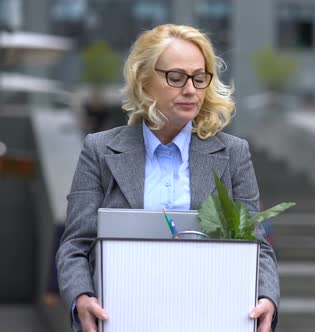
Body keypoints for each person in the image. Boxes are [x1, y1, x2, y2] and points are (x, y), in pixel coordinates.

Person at [56, 24, 279, 332]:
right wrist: (80, 296)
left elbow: (257, 245)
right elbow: (75, 245)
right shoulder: (99, 150)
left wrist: (267, 296)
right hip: (123, 321)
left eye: (199, 78)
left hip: (211, 320)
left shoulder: (234, 153)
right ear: (144, 81)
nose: (191, 89)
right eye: (176, 77)